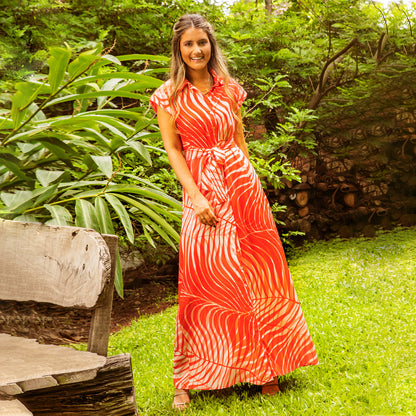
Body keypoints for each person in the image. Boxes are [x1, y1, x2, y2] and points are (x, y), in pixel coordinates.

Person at [150, 14, 319, 411]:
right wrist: (195, 196)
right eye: (188, 44)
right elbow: (174, 149)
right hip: (202, 186)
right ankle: (191, 376)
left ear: (212, 46)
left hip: (242, 186)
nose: (196, 50)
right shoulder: (168, 96)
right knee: (205, 279)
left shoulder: (231, 89)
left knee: (258, 274)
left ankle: (267, 368)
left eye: (202, 43)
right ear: (178, 49)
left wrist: (251, 186)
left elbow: (239, 138)